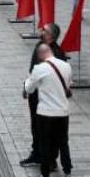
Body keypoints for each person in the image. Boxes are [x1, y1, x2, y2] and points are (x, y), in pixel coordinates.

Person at [24, 43, 75, 177]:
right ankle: (68, 176)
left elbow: (29, 88)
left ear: (40, 55)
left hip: (45, 113)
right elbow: (68, 84)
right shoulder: (66, 66)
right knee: (63, 143)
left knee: (45, 144)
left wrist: (29, 78)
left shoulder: (39, 68)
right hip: (63, 112)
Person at [19, 23, 68, 168]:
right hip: (36, 95)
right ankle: (37, 154)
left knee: (50, 129)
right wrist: (27, 86)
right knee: (36, 125)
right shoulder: (40, 46)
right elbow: (33, 70)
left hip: (49, 98)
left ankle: (51, 160)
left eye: (44, 30)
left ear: (51, 36)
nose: (41, 31)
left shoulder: (58, 54)